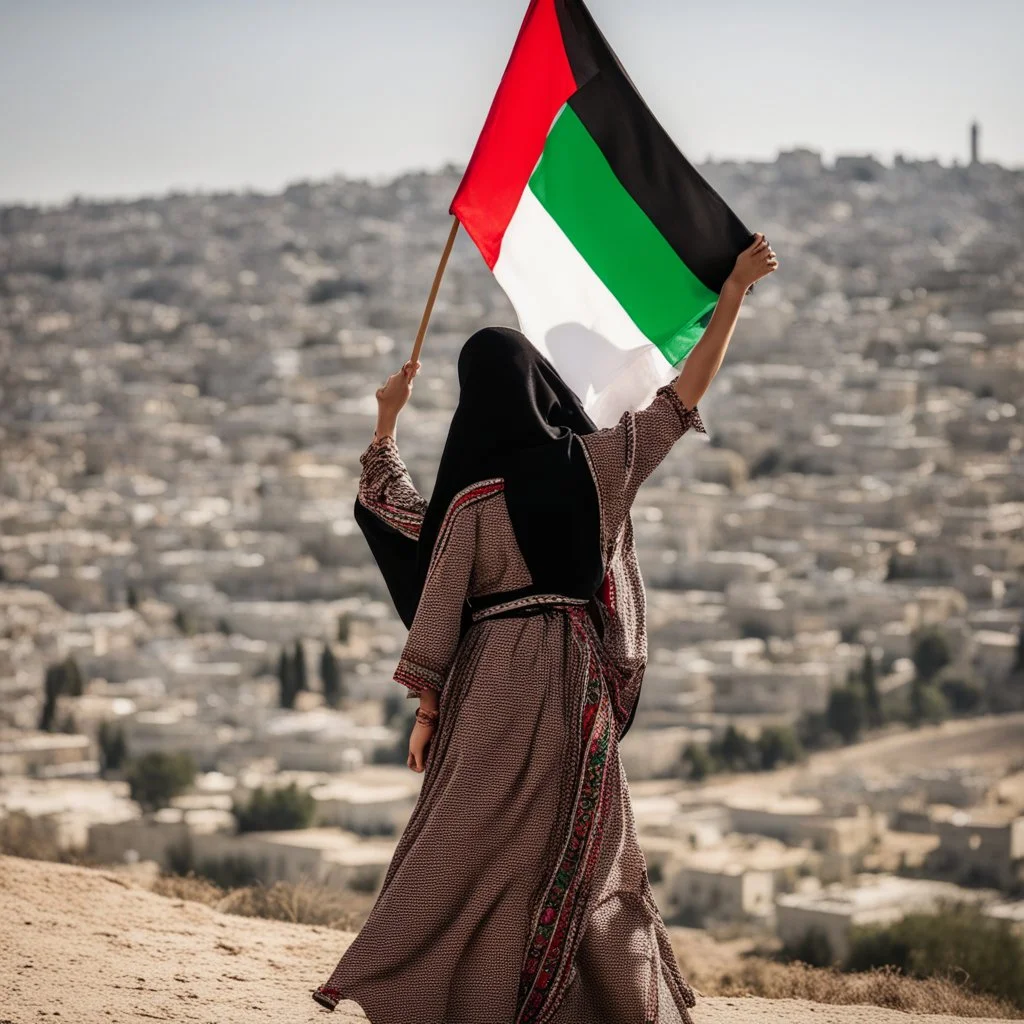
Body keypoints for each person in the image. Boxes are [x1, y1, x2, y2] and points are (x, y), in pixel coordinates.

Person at [313, 234, 779, 1022]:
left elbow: (407, 533)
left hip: (487, 688)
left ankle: (427, 990)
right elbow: (680, 404)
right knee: (587, 847)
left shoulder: (469, 505)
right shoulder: (592, 469)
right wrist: (732, 292)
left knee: (461, 845)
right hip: (574, 685)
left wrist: (385, 422)